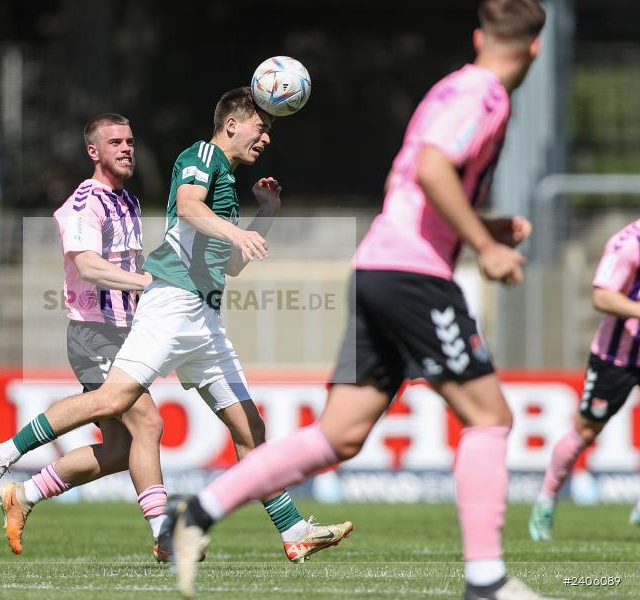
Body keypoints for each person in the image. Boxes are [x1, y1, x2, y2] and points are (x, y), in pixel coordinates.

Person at [167, 2, 558, 599]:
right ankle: (486, 581)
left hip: (378, 264)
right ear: (534, 48)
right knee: (490, 418)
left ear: (480, 36)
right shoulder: (484, 96)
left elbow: (412, 185)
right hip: (412, 274)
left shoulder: (448, 89)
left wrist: (483, 227)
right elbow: (432, 170)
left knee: (340, 435)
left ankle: (196, 513)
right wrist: (484, 246)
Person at [0, 88, 352, 563]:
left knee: (248, 426)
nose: (266, 138)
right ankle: (4, 453)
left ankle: (293, 530)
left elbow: (232, 264)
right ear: (231, 124)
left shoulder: (226, 183)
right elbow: (189, 206)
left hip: (204, 319)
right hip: (171, 305)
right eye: (262, 127)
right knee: (116, 402)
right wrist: (237, 231)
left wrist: (266, 215)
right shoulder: (202, 156)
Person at [0, 113, 170, 559]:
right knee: (149, 423)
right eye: (115, 142)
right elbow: (88, 264)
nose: (126, 149)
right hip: (95, 331)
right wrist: (146, 284)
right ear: (93, 151)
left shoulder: (129, 201)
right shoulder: (84, 202)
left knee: (121, 449)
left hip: (128, 333)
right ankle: (164, 534)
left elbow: (128, 266)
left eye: (130, 141)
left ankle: (24, 495)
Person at [529, 219, 640, 539]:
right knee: (586, 431)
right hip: (616, 357)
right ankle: (546, 499)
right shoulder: (629, 244)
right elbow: (602, 297)